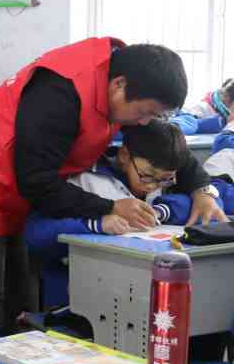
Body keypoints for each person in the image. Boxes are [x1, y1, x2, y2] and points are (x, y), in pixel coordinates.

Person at [0, 38, 226, 339]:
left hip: (16, 195)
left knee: (19, 309)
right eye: (145, 113)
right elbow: (37, 182)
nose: (145, 122)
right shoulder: (61, 92)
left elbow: (165, 146)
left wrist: (202, 189)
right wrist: (109, 207)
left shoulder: (128, 87)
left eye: (155, 115)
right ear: (119, 85)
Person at [25, 121, 193, 308]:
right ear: (124, 156)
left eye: (164, 180)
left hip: (136, 284)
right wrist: (96, 224)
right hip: (74, 290)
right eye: (147, 176)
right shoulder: (85, 179)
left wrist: (160, 212)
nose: (153, 186)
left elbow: (194, 204)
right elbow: (35, 234)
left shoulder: (159, 181)